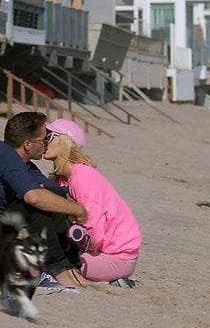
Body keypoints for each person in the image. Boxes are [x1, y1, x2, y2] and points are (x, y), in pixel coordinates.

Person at [0, 111, 88, 282]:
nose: (46, 145)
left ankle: (70, 264)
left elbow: (58, 193)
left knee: (53, 197)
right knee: (34, 206)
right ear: (27, 144)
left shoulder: (23, 164)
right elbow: (34, 197)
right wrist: (77, 209)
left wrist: (74, 205)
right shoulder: (4, 157)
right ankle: (60, 270)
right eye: (44, 140)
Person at [42, 118, 141, 285]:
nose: (44, 141)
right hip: (99, 253)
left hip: (116, 257)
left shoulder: (83, 177)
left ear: (66, 142)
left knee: (46, 257)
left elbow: (93, 235)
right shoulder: (62, 179)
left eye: (50, 136)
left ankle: (100, 282)